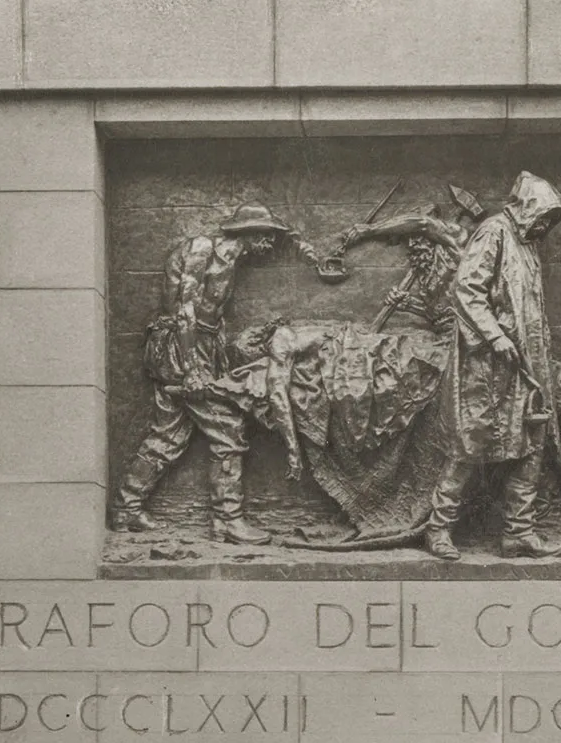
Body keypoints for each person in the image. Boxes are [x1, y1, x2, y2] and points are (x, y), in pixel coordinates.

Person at [107, 203, 296, 543]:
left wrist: (222, 352)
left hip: (200, 346)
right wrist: (193, 366)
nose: (270, 242)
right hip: (181, 347)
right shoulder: (203, 248)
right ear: (247, 231)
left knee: (168, 435)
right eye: (266, 234)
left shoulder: (232, 260)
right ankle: (228, 520)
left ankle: (126, 508)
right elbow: (185, 309)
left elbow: (211, 317)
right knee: (229, 429)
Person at [425, 171, 561, 561]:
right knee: (471, 444)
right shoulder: (494, 231)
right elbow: (466, 290)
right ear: (528, 207)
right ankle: (438, 528)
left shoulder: (527, 245)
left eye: (551, 221)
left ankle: (519, 532)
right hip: (487, 365)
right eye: (544, 217)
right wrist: (495, 335)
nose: (546, 226)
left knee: (531, 444)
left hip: (525, 365)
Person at [336, 186, 487, 331]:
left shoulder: (459, 238)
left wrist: (369, 230)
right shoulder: (428, 269)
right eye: (408, 240)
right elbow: (441, 313)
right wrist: (408, 303)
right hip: (447, 334)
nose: (411, 244)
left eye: (413, 236)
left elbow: (422, 223)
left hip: (469, 334)